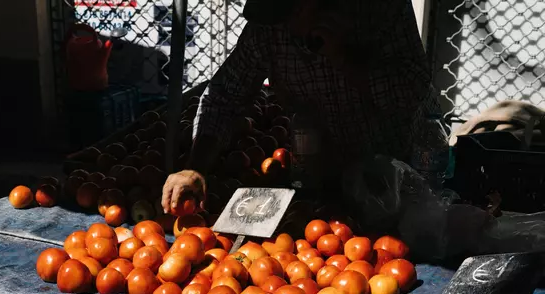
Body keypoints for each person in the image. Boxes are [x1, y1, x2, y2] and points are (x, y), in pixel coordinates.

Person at [162, 0, 440, 214]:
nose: (284, 26)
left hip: (398, 173)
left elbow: (410, 92)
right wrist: (195, 168)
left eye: (291, 12)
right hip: (323, 176)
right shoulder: (268, 32)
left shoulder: (380, 11)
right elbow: (224, 96)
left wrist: (345, 58)